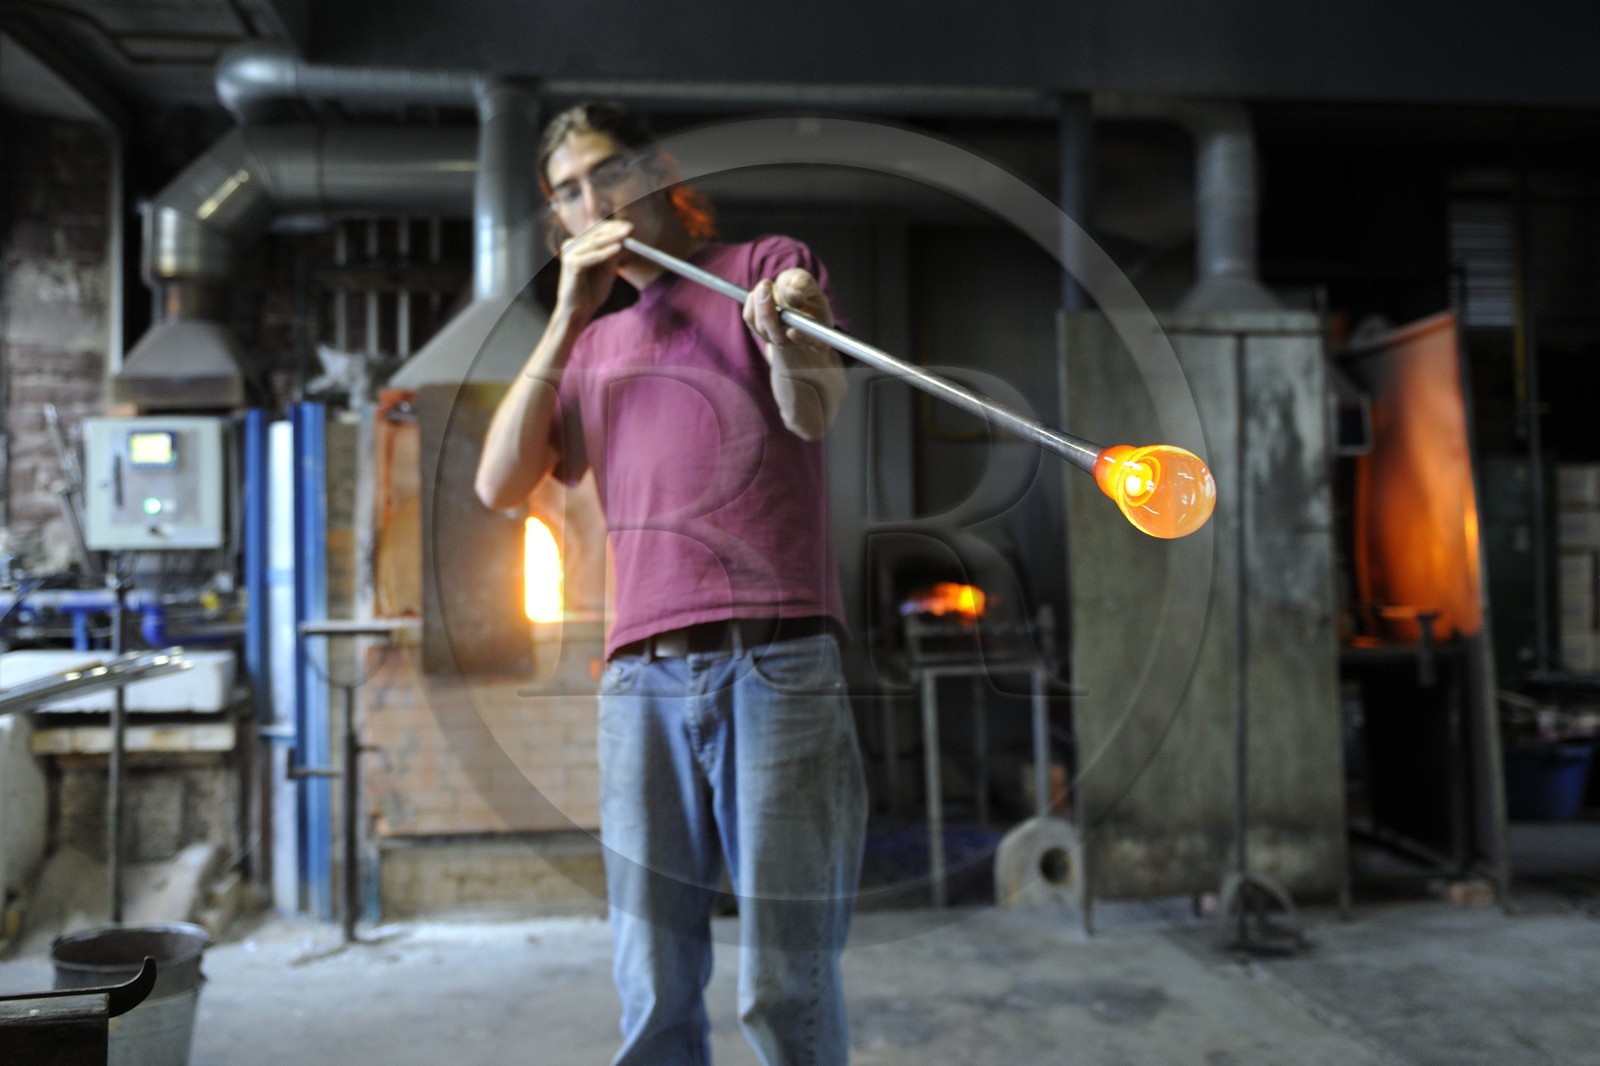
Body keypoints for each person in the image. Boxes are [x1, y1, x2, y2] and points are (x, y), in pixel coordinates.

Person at [475, 102, 867, 1066]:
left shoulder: (761, 265)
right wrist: (566, 315)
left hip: (775, 662)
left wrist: (786, 332)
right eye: (566, 191)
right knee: (652, 984)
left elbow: (813, 414)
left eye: (606, 173)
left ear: (656, 173)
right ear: (558, 220)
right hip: (639, 681)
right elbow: (495, 484)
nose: (591, 200)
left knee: (786, 981)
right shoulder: (594, 346)